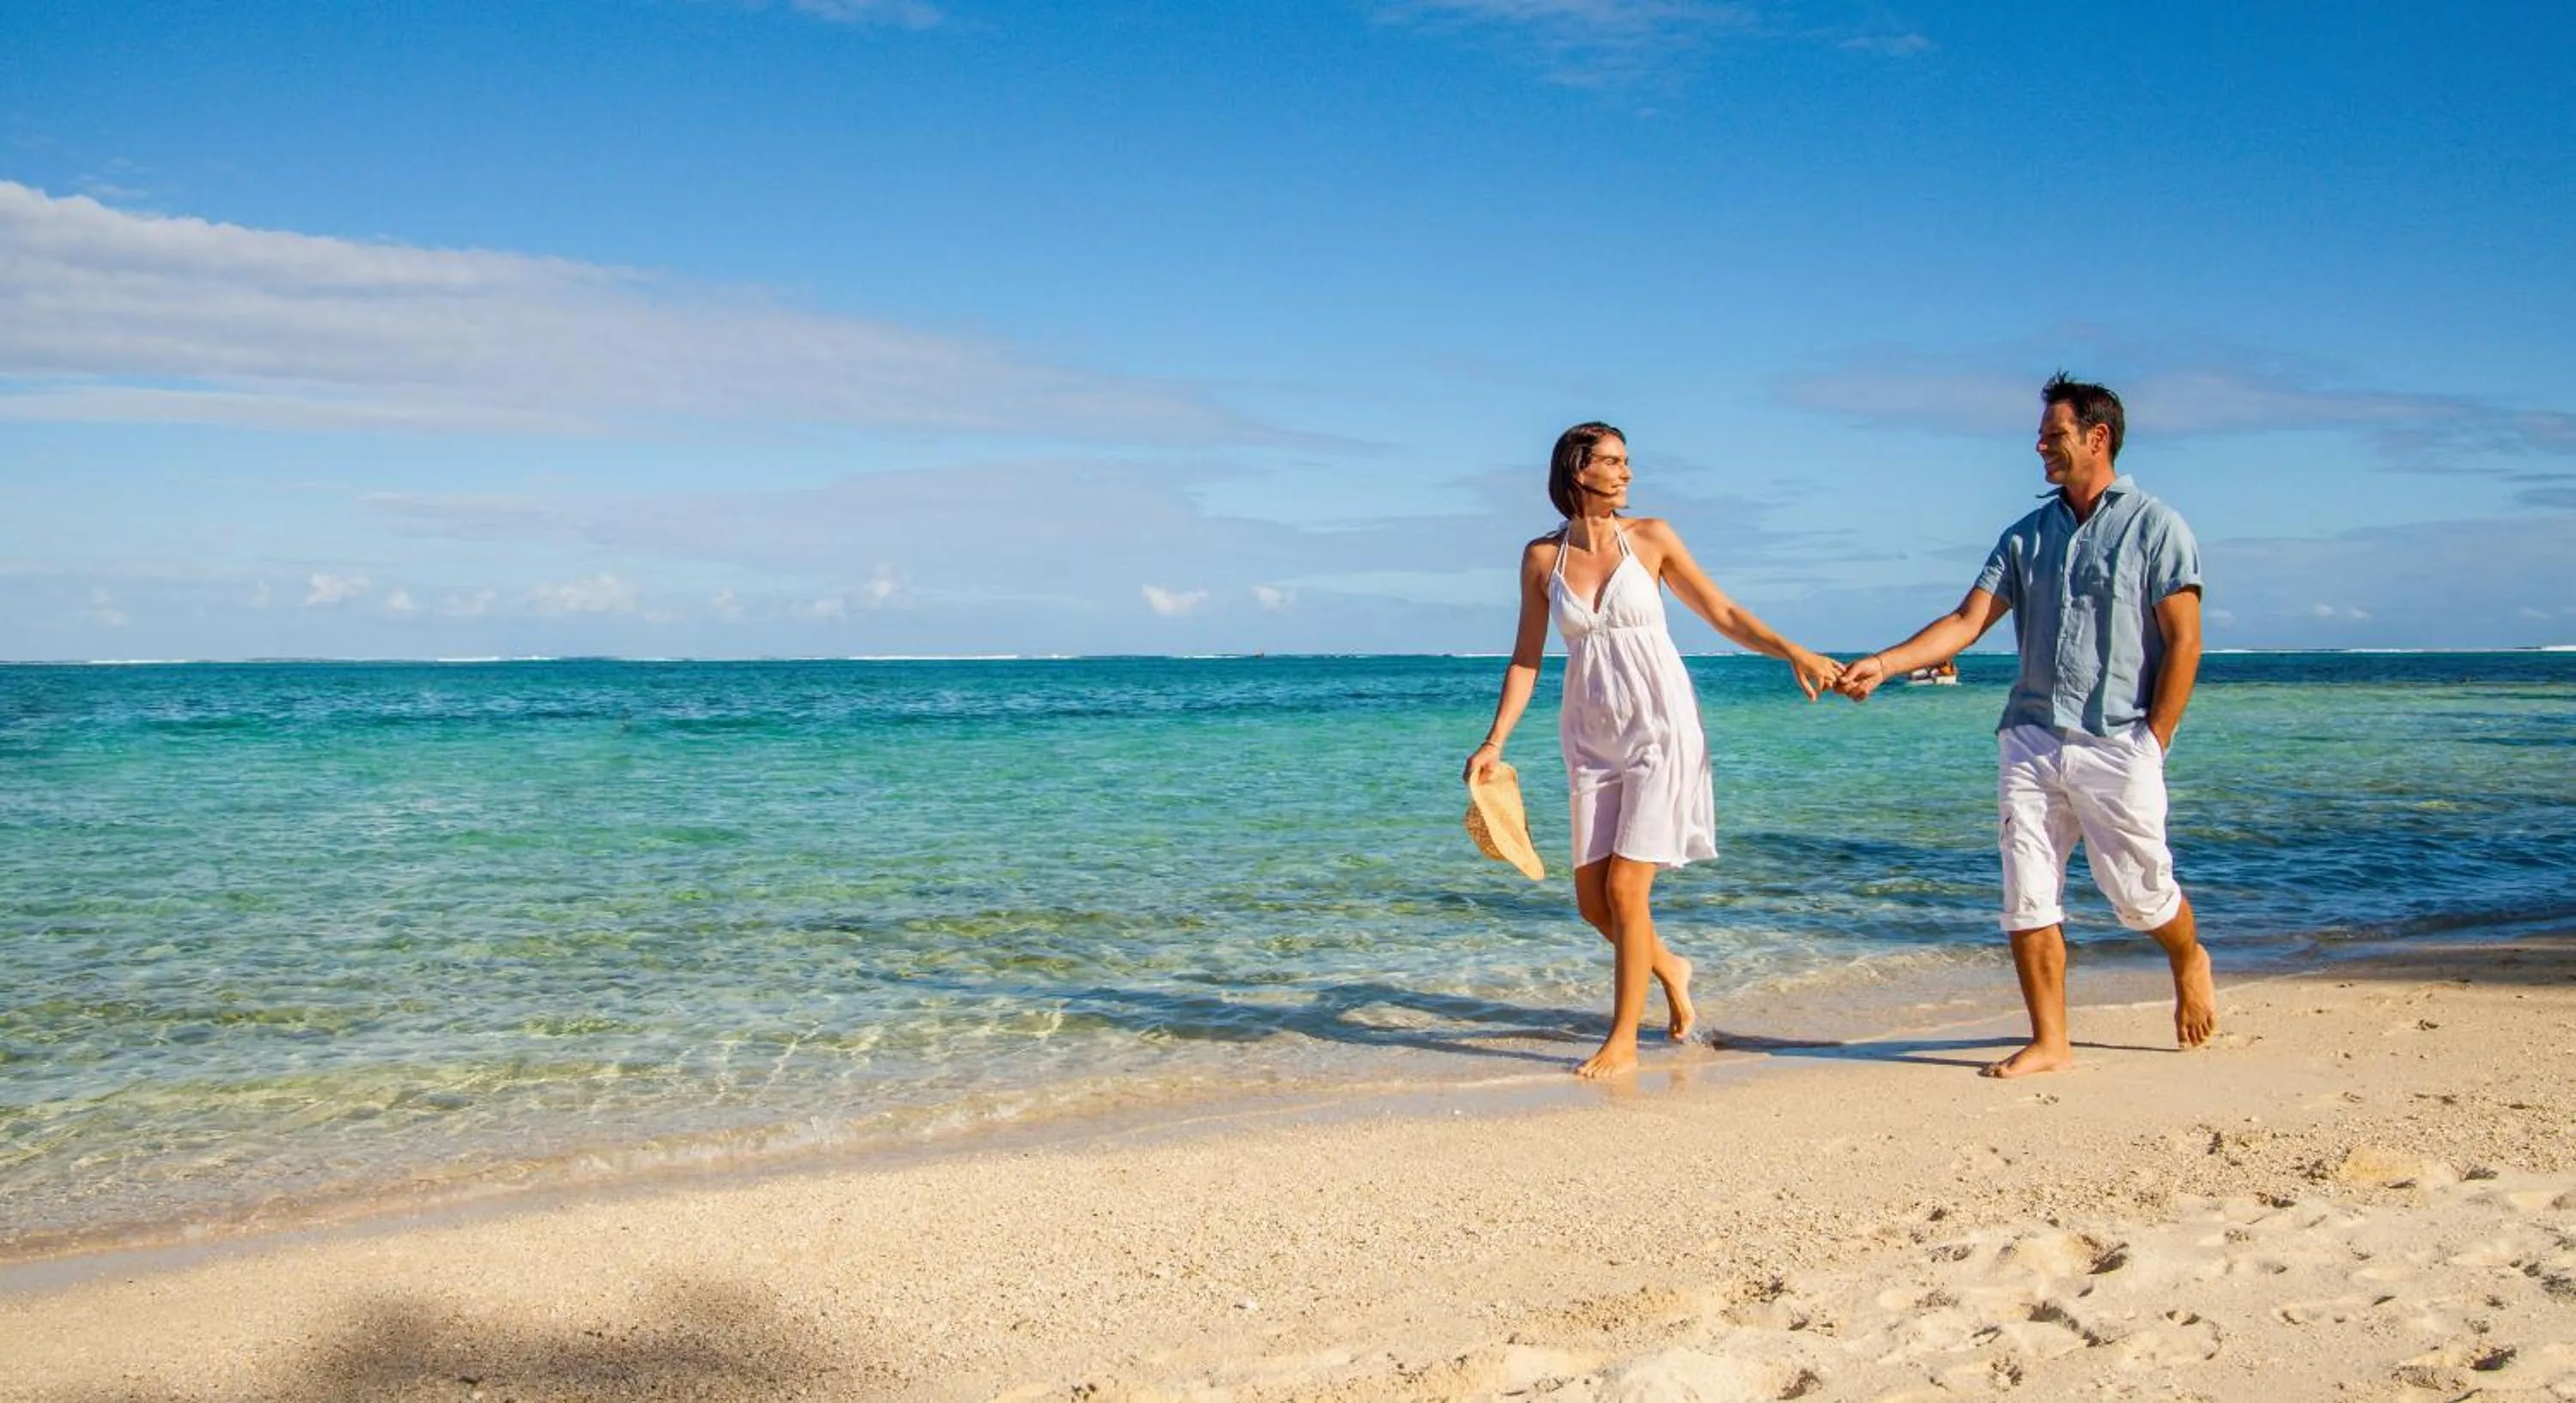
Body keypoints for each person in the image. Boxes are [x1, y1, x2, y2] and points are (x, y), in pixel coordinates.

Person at [1837, 374, 2216, 1078]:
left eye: (2055, 434)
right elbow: (1966, 621)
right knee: (2026, 895)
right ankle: (2050, 1040)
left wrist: (2157, 737)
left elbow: (2185, 641)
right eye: (2043, 435)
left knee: (2139, 895)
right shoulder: (2025, 536)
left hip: (2118, 738)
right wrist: (1885, 664)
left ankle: (2188, 955)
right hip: (2031, 737)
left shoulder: (2157, 527)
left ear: (2097, 438)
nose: (2041, 445)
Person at [1466, 422, 1843, 1079]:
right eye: (1612, 462)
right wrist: (1495, 740)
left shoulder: (1652, 539)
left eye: (1627, 462)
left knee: (1626, 888)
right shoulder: (1540, 558)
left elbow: (1722, 613)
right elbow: (1526, 659)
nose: (1626, 474)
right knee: (1591, 901)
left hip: (1660, 726)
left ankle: (1623, 1041)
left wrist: (1794, 651)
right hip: (1589, 734)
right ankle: (1670, 967)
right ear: (1577, 469)